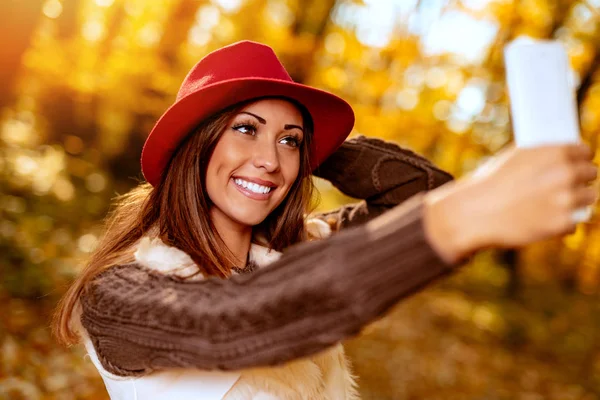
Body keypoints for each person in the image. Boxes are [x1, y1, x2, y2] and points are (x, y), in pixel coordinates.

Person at [52, 40, 598, 400]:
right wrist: (459, 220)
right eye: (244, 128)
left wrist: (317, 142)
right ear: (196, 144)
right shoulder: (119, 294)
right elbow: (237, 321)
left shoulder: (295, 248)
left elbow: (423, 194)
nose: (270, 159)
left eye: (288, 142)